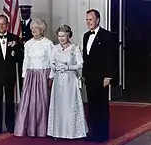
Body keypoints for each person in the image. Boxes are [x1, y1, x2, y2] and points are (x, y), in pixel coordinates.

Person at [47, 24, 88, 139]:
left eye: (63, 36)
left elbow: (80, 64)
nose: (61, 39)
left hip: (70, 80)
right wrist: (55, 67)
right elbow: (51, 62)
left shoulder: (75, 48)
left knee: (69, 105)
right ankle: (58, 132)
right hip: (58, 80)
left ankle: (72, 132)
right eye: (59, 36)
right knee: (59, 106)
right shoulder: (55, 48)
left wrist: (69, 67)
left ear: (68, 35)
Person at [14, 19, 53, 137]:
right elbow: (25, 61)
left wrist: (51, 77)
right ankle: (28, 129)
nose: (33, 30)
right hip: (30, 76)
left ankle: (42, 129)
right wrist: (24, 76)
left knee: (42, 103)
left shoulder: (48, 43)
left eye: (36, 28)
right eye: (32, 28)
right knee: (28, 103)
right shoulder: (28, 44)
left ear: (42, 30)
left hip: (43, 75)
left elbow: (52, 62)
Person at [0, 14, 23, 135]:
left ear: (7, 25)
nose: (1, 26)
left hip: (9, 75)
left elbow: (19, 58)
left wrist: (16, 48)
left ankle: (10, 125)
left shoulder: (15, 38)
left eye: (4, 24)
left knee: (10, 101)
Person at [83, 9, 115, 143]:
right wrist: (84, 75)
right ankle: (93, 132)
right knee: (91, 105)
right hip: (89, 77)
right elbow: (86, 57)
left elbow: (111, 57)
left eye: (90, 19)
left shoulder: (107, 35)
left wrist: (108, 76)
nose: (88, 22)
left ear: (97, 20)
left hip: (102, 77)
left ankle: (102, 135)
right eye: (87, 20)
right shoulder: (85, 35)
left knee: (101, 105)